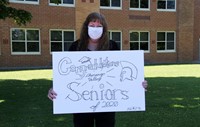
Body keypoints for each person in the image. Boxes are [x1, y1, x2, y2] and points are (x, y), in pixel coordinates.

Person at [48, 12, 148, 127]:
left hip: (107, 104)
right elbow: (66, 75)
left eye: (99, 26)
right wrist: (54, 89)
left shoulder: (112, 46)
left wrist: (138, 84)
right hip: (81, 105)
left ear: (104, 29)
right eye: (92, 25)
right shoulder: (76, 47)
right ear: (86, 27)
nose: (95, 29)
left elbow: (121, 72)